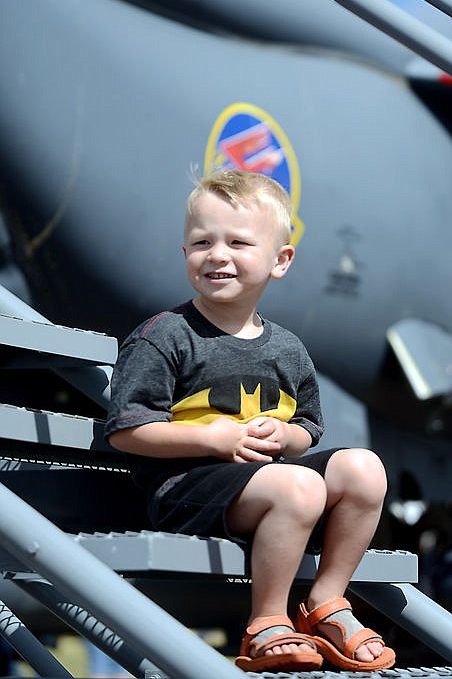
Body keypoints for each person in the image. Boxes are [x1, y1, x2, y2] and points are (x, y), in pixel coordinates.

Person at [105, 169, 396, 674]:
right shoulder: (165, 336)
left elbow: (308, 428)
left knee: (364, 468)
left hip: (267, 481)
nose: (217, 254)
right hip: (186, 487)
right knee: (300, 488)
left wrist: (287, 436)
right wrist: (211, 438)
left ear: (280, 260)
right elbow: (128, 431)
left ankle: (325, 602)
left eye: (237, 242)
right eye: (202, 242)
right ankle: (267, 621)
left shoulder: (288, 348)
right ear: (185, 255)